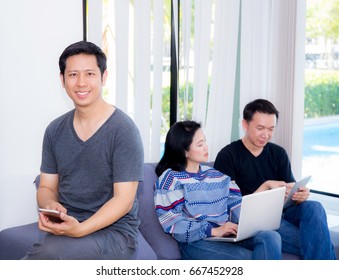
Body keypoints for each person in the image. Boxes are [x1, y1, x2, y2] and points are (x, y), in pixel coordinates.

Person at [22, 41, 144, 259]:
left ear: (103, 77)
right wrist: (51, 205)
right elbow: (47, 187)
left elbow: (123, 200)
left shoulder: (124, 130)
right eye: (73, 75)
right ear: (62, 80)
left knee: (47, 256)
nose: (81, 83)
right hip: (67, 227)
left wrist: (80, 229)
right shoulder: (54, 130)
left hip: (114, 233)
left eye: (89, 74)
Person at [214, 98, 336, 260]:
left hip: (282, 214)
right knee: (319, 241)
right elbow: (225, 207)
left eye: (271, 129)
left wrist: (299, 195)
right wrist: (265, 186)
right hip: (252, 223)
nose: (266, 135)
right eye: (260, 128)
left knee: (314, 207)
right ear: (245, 124)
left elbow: (290, 190)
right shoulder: (228, 156)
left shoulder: (278, 153)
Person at [154, 120, 282, 260]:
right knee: (246, 258)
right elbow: (173, 222)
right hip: (197, 241)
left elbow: (236, 206)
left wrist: (242, 225)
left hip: (227, 236)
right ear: (184, 151)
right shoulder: (171, 178)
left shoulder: (216, 175)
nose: (206, 147)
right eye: (200, 144)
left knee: (271, 236)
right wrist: (214, 230)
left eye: (205, 141)